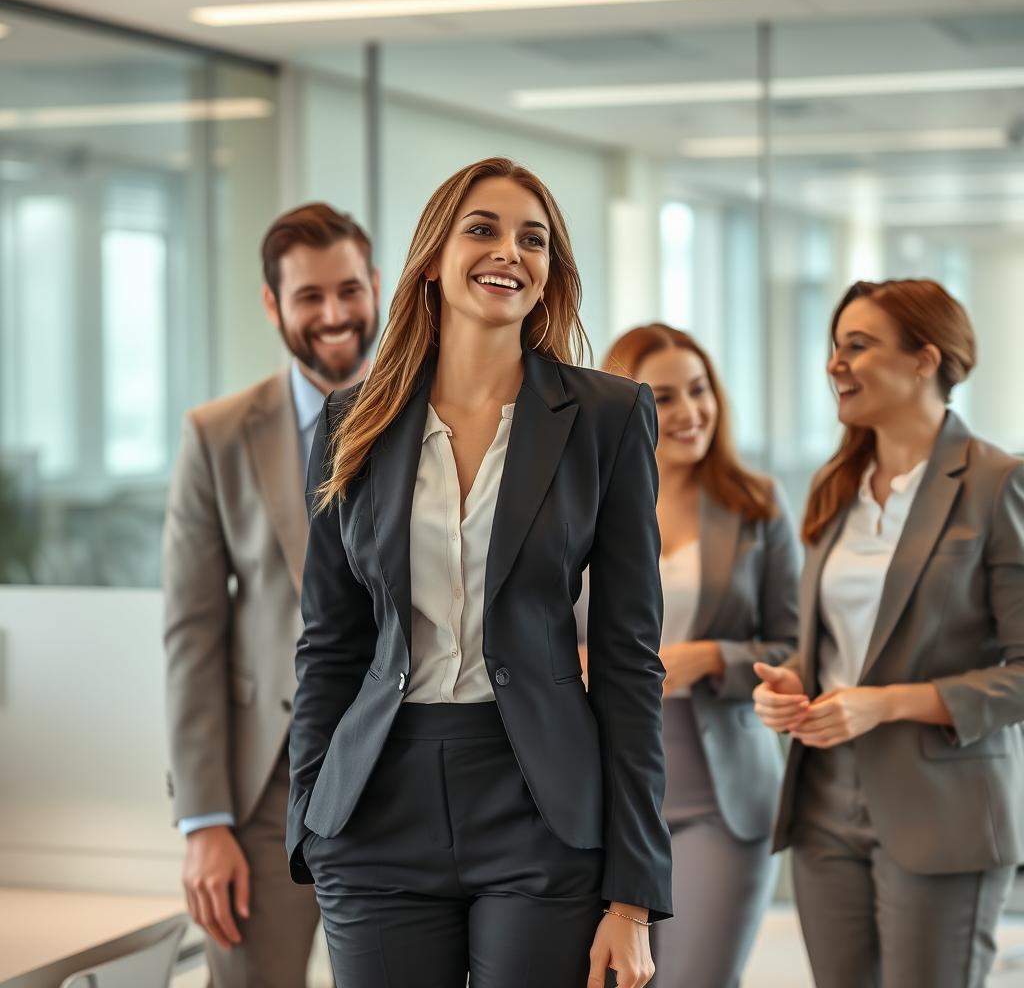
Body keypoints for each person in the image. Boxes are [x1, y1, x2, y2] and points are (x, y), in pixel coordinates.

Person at [287, 157, 673, 988]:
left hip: (540, 805)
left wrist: (633, 897)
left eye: (532, 239)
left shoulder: (608, 417)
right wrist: (309, 818)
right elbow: (329, 643)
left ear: (548, 275)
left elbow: (629, 660)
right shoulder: (353, 423)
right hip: (375, 811)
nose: (509, 251)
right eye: (483, 229)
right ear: (434, 257)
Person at [754, 279, 1024, 988]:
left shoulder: (998, 482)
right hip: (823, 803)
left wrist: (886, 702)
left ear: (923, 360)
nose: (834, 364)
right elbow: (841, 645)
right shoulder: (834, 485)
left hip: (942, 807)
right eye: (834, 347)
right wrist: (794, 685)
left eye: (858, 346)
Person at [163, 203, 379, 986]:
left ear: (376, 284)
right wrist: (203, 819)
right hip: (263, 790)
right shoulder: (218, 435)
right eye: (309, 296)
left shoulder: (435, 416)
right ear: (272, 304)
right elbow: (192, 633)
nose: (334, 315)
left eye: (349, 290)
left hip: (407, 770)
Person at [576, 324, 797, 987]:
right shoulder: (577, 501)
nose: (689, 412)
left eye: (699, 391)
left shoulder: (755, 504)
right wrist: (577, 665)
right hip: (599, 797)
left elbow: (794, 641)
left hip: (720, 802)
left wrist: (710, 658)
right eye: (664, 397)